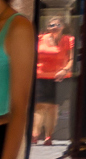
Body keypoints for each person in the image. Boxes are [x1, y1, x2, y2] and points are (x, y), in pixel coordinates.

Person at [31, 15, 73, 145]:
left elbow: (72, 59)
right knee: (39, 107)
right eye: (51, 25)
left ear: (63, 27)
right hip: (40, 76)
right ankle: (35, 135)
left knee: (53, 108)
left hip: (59, 78)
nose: (54, 28)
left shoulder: (68, 40)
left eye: (57, 25)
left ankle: (49, 136)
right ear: (47, 27)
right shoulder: (39, 39)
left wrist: (64, 70)